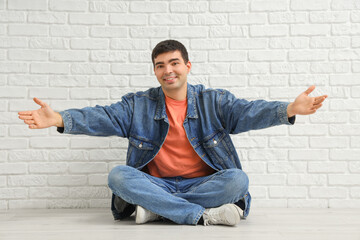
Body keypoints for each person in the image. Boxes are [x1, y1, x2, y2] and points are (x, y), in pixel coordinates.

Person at [18, 39, 327, 226]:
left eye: (174, 63)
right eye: (160, 65)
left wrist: (289, 109)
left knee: (237, 179)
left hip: (203, 183)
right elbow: (103, 116)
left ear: (188, 65)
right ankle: (201, 216)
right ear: (155, 71)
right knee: (118, 176)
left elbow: (249, 111)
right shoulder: (138, 104)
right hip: (157, 183)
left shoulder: (214, 101)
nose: (168, 70)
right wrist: (59, 118)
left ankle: (156, 211)